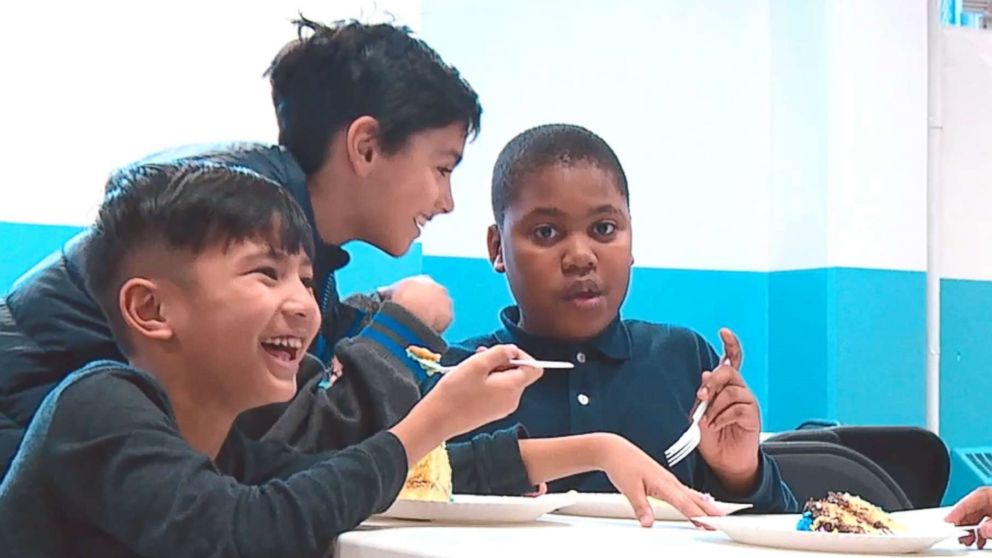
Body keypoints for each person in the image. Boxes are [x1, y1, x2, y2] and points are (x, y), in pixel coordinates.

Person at [0, 163, 720, 556]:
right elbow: (242, 533)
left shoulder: (230, 448)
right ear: (151, 311)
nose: (304, 305)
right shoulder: (96, 406)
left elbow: (392, 479)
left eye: (307, 280)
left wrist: (589, 447)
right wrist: (425, 422)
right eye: (265, 274)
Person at [0, 17, 482, 471]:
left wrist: (376, 312)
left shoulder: (284, 230)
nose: (447, 202)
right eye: (443, 168)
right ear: (366, 147)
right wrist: (402, 330)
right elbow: (285, 450)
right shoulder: (221, 221)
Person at [429, 123, 798, 513]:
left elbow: (775, 531)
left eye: (604, 229)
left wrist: (740, 473)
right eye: (546, 232)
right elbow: (406, 486)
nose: (581, 257)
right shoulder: (459, 375)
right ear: (497, 247)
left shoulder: (684, 360)